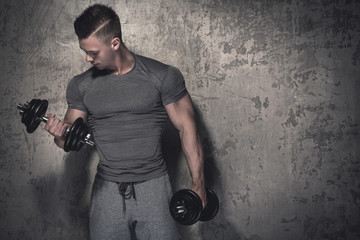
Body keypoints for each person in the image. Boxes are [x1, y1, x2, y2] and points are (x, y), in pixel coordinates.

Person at [44, 4, 206, 240]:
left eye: (93, 52)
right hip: (106, 189)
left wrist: (198, 182)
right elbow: (68, 137)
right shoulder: (81, 84)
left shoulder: (163, 76)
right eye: (84, 51)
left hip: (154, 187)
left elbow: (187, 128)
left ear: (115, 43)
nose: (88, 58)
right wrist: (59, 134)